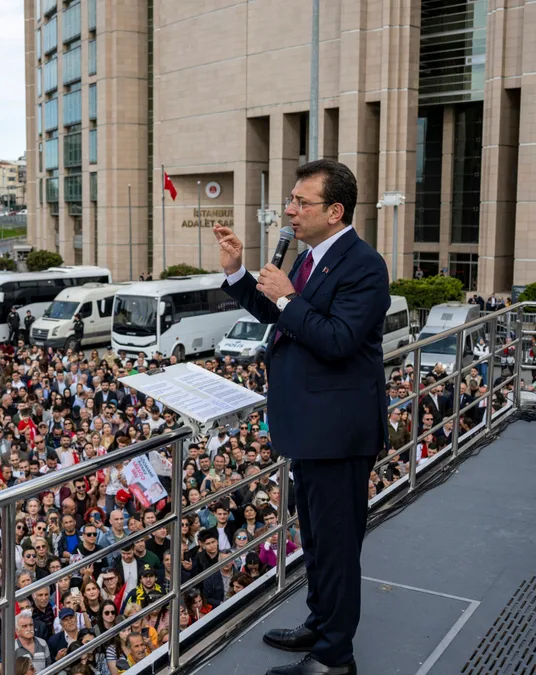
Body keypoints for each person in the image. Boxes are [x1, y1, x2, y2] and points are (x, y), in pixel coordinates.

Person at [214, 158, 389, 675]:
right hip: (309, 427)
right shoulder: (313, 258)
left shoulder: (363, 264)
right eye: (291, 200)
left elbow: (336, 339)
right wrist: (238, 275)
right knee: (314, 539)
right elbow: (281, 314)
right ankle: (320, 623)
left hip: (338, 431)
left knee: (336, 547)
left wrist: (289, 297)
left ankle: (335, 658)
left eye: (300, 202)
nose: (289, 210)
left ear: (335, 211)